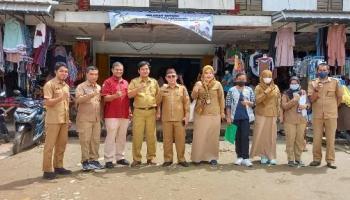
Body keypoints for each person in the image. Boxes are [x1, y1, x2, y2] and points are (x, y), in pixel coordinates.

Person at [308, 63, 343, 169]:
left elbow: (340, 97)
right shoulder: (312, 83)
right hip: (317, 115)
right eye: (320, 70)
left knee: (330, 139)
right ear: (317, 71)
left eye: (324, 70)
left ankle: (330, 160)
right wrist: (317, 90)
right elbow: (311, 99)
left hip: (331, 115)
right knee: (317, 139)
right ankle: (316, 159)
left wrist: (332, 107)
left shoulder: (335, 82)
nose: (322, 72)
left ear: (328, 71)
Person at [191, 65, 225, 166]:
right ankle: (198, 157)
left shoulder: (218, 84)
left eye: (210, 73)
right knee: (199, 136)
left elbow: (221, 99)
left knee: (213, 136)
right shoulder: (198, 83)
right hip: (201, 114)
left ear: (213, 74)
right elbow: (193, 96)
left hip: (215, 114)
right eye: (206, 73)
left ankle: (212, 157)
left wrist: (222, 112)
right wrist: (196, 89)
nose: (208, 75)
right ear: (203, 74)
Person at [42, 62, 71, 180]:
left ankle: (59, 166)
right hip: (53, 120)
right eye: (61, 71)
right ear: (55, 71)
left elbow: (66, 104)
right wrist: (61, 98)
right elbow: (47, 102)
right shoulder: (49, 84)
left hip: (63, 119)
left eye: (66, 71)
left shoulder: (66, 86)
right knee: (49, 146)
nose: (64, 73)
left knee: (61, 145)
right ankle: (47, 170)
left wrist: (68, 119)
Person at [128, 61, 160, 167]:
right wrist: (138, 89)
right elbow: (129, 95)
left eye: (146, 69)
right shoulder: (134, 81)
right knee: (137, 136)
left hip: (151, 111)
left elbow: (158, 98)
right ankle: (137, 159)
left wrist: (158, 111)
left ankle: (151, 158)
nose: (145, 71)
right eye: (142, 69)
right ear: (139, 71)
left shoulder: (154, 82)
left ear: (149, 70)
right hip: (139, 112)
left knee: (151, 136)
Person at [158, 68, 190, 167]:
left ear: (176, 77)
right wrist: (161, 90)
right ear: (166, 78)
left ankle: (181, 159)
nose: (171, 78)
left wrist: (187, 116)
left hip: (179, 119)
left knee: (180, 140)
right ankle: (168, 159)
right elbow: (157, 102)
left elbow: (187, 103)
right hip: (166, 119)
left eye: (173, 76)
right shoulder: (163, 89)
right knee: (167, 140)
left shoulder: (182, 88)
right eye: (169, 76)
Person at [102, 62, 131, 168]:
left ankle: (120, 158)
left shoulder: (126, 83)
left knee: (122, 137)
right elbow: (105, 98)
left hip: (124, 114)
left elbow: (127, 99)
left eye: (121, 69)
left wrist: (130, 111)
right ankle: (109, 159)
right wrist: (115, 96)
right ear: (112, 70)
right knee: (111, 136)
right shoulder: (107, 82)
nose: (119, 71)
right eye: (117, 69)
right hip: (111, 114)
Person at [250, 70, 281, 165]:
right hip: (261, 114)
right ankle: (262, 155)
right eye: (265, 76)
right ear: (261, 77)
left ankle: (271, 156)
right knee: (261, 135)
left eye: (269, 76)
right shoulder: (258, 87)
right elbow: (257, 100)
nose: (267, 78)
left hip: (272, 114)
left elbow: (278, 100)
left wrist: (279, 112)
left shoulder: (275, 87)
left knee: (271, 136)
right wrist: (266, 92)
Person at [75, 66, 103, 170]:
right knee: (85, 140)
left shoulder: (99, 87)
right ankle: (85, 161)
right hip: (84, 118)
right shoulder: (81, 87)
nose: (94, 76)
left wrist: (101, 117)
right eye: (91, 74)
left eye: (96, 74)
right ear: (86, 74)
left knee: (95, 140)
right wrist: (91, 95)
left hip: (96, 119)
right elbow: (78, 100)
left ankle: (94, 160)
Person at [225, 73, 255, 167]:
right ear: (236, 79)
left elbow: (254, 103)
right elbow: (228, 105)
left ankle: (246, 158)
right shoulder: (231, 90)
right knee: (237, 137)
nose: (241, 80)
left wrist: (247, 102)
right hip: (235, 117)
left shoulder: (249, 90)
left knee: (245, 137)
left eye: (243, 79)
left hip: (246, 117)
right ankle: (239, 157)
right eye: (240, 79)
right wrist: (228, 117)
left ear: (246, 80)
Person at [281, 76, 309, 167]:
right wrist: (294, 100)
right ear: (289, 84)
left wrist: (306, 106)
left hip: (301, 120)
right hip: (290, 120)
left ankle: (298, 159)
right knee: (290, 140)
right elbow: (284, 106)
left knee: (299, 140)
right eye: (292, 83)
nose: (294, 85)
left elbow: (309, 104)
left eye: (295, 83)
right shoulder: (286, 93)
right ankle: (290, 159)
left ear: (299, 84)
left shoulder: (303, 92)